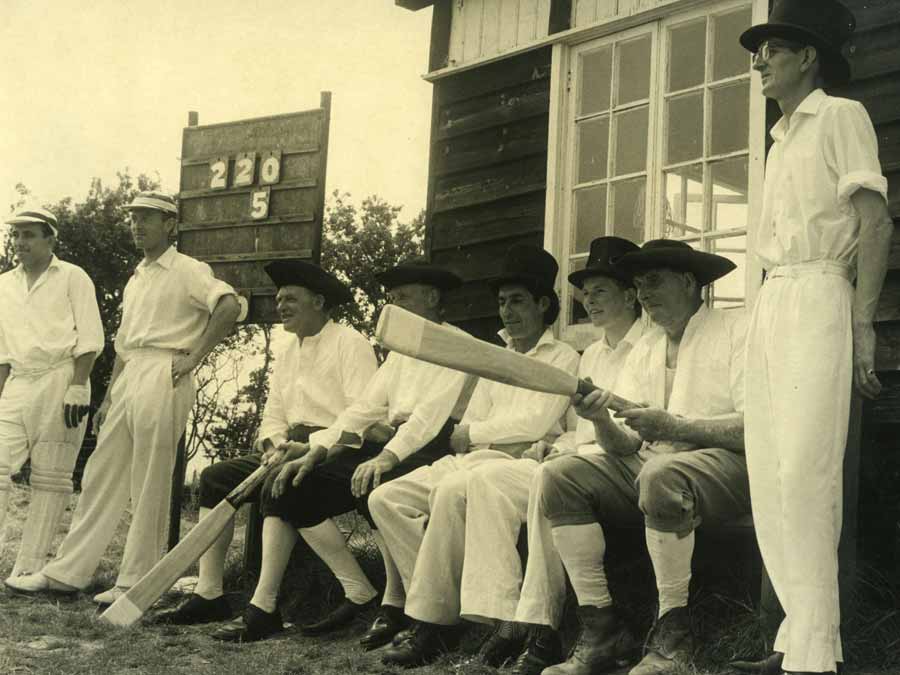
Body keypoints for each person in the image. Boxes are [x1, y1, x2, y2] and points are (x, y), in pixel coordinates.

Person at [735, 2, 893, 674]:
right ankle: (791, 639)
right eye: (759, 49)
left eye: (774, 48)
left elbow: (876, 223)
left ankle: (818, 651)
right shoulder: (779, 138)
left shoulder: (839, 117)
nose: (759, 60)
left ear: (809, 57)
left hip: (822, 296)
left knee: (806, 470)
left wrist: (862, 324)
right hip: (774, 301)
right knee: (770, 473)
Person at [204, 259, 470, 642]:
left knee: (374, 485)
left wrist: (386, 456)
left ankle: (397, 605)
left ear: (432, 297)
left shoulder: (453, 345)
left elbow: (428, 420)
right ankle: (289, 604)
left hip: (431, 449)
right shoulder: (401, 353)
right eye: (391, 299)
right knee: (295, 487)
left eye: (404, 298)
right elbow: (363, 409)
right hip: (394, 446)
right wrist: (319, 449)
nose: (393, 308)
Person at [7, 191, 241, 604]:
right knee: (100, 473)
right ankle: (68, 573)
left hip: (165, 371)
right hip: (131, 373)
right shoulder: (139, 275)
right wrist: (109, 398)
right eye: (133, 219)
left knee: (149, 478)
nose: (136, 226)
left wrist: (194, 357)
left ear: (170, 224)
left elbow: (228, 304)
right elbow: (124, 345)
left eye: (146, 218)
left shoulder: (188, 269)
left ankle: (136, 582)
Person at [540, 239, 748, 675]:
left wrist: (678, 428)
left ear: (690, 281)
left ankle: (674, 638)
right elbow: (627, 446)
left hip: (729, 465)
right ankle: (602, 632)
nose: (645, 293)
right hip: (659, 465)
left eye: (654, 281)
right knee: (560, 475)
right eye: (639, 283)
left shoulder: (737, 329)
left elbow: (755, 427)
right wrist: (600, 421)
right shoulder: (648, 347)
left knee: (660, 473)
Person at [369, 244, 580, 667]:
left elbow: (533, 424)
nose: (507, 312)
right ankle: (445, 601)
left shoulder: (562, 357)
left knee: (450, 492)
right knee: (386, 499)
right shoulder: (495, 357)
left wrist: (476, 434)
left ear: (543, 304)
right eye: (502, 302)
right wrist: (478, 434)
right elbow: (475, 423)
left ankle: (437, 624)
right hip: (480, 457)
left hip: (516, 463)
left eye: (517, 301)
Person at [152, 259, 377, 630]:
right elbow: (274, 412)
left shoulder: (350, 343)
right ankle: (210, 593)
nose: (280, 306)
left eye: (290, 298)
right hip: (289, 447)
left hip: (340, 451)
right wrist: (274, 444)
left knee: (282, 485)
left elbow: (361, 415)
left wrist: (309, 447)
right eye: (278, 299)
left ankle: (264, 606)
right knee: (214, 478)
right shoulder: (288, 350)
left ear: (319, 302)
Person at [463, 236, 647, 674]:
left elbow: (630, 432)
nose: (589, 300)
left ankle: (542, 630)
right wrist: (554, 443)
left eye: (600, 290)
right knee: (487, 479)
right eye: (586, 292)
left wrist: (564, 453)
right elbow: (578, 431)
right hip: (581, 461)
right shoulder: (594, 355)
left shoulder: (650, 346)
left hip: (624, 468)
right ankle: (509, 620)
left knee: (553, 480)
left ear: (630, 293)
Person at [0, 207, 104, 582]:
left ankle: (28, 566)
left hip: (62, 379)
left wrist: (78, 385)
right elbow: (1, 353)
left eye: (29, 235)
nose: (20, 243)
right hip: (19, 381)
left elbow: (90, 338)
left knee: (51, 477)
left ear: (50, 239)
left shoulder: (73, 277)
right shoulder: (4, 284)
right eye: (16, 235)